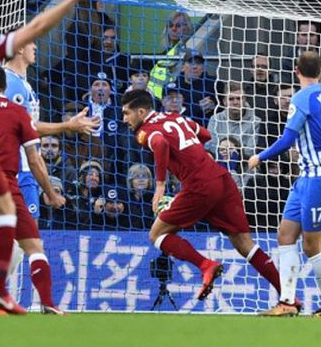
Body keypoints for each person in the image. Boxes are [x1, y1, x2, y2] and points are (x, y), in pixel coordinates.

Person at [0, 0, 99, 314]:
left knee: (8, 220)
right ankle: (3, 294)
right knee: (14, 220)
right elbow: (38, 25)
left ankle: (0, 293)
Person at [121, 89, 282, 303]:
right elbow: (206, 135)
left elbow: (159, 144)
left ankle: (206, 265)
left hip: (198, 186)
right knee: (245, 244)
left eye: (126, 113)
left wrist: (160, 186)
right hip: (221, 179)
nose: (125, 119)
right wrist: (190, 154)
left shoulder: (145, 132)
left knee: (156, 235)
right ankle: (289, 297)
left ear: (141, 112)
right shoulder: (175, 117)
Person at [248, 51, 321, 317]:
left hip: (320, 177)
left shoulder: (301, 98)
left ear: (296, 70)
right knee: (285, 234)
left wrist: (260, 156)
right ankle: (288, 301)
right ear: (320, 72)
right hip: (306, 178)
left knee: (312, 245)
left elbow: (287, 140)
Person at [0, 69, 66, 315]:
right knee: (34, 248)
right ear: (4, 86)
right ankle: (48, 303)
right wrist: (50, 192)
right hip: (5, 189)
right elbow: (34, 159)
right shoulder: (18, 113)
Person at [5, 41, 98, 223]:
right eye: (31, 42)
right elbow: (23, 128)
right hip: (17, 170)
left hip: (25, 167)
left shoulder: (23, 84)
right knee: (26, 235)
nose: (36, 48)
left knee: (24, 236)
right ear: (19, 48)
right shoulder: (12, 84)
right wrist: (67, 126)